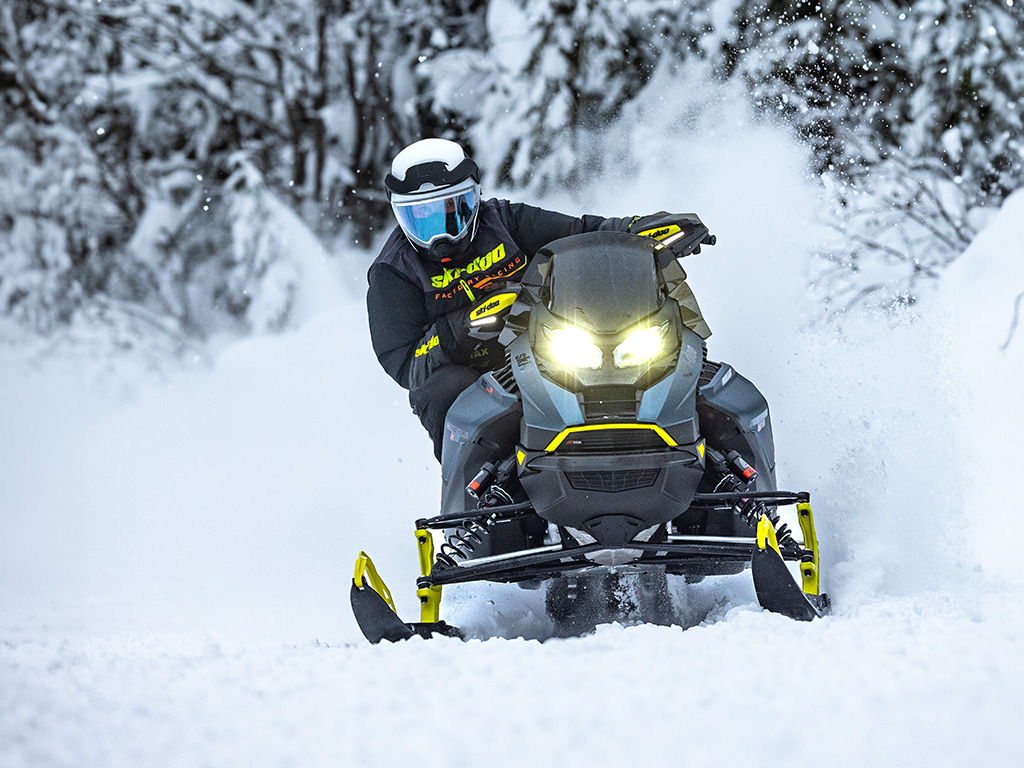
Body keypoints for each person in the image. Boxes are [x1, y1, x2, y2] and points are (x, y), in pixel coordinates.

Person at [366, 138, 706, 461]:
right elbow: (404, 362)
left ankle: (709, 450)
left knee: (659, 346)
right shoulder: (393, 273)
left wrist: (635, 232)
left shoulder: (505, 222)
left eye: (451, 209)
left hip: (548, 347)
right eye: (421, 218)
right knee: (443, 391)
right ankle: (476, 490)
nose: (440, 234)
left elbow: (579, 234)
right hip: (477, 375)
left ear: (474, 197)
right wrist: (463, 327)